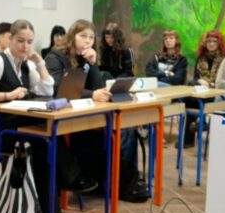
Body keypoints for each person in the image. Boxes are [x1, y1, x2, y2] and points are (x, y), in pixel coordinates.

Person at [0, 19, 94, 213]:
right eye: (20, 41)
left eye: (29, 42)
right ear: (10, 39)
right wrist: (7, 95)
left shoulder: (26, 64)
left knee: (43, 144)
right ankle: (70, 178)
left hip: (12, 125)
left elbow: (47, 90)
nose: (25, 46)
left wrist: (40, 62)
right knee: (41, 138)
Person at [45, 19, 148, 203]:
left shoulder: (85, 56)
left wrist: (93, 63)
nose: (87, 41)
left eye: (91, 37)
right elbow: (59, 89)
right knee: (114, 133)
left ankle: (122, 183)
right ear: (72, 36)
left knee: (125, 129)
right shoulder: (55, 57)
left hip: (85, 114)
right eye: (83, 36)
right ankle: (121, 185)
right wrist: (92, 95)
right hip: (63, 116)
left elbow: (98, 87)